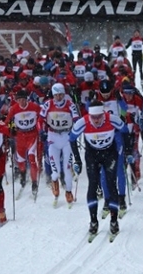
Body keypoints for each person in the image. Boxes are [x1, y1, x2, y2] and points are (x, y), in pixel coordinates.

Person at [69, 101, 129, 238]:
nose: (96, 120)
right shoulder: (82, 122)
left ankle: (114, 221)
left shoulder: (112, 119)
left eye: (99, 117)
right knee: (93, 185)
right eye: (93, 117)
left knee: (111, 184)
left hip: (109, 154)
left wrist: (128, 151)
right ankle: (93, 221)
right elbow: (72, 139)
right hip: (92, 155)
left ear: (104, 114)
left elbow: (125, 131)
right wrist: (77, 160)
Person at [38, 83, 80, 206]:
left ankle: (68, 192)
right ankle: (55, 186)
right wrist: (41, 131)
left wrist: (75, 133)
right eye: (56, 95)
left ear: (64, 94)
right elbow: (40, 120)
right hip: (53, 137)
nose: (58, 98)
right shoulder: (48, 104)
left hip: (66, 137)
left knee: (67, 169)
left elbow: (77, 120)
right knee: (55, 169)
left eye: (61, 95)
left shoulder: (70, 105)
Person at [5, 89, 41, 197]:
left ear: (26, 99)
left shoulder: (34, 107)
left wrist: (41, 127)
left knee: (31, 159)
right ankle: (23, 175)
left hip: (32, 135)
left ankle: (34, 183)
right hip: (20, 136)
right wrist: (10, 128)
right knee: (21, 160)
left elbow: (42, 116)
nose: (21, 102)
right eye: (19, 100)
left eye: (23, 99)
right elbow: (7, 121)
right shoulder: (14, 109)